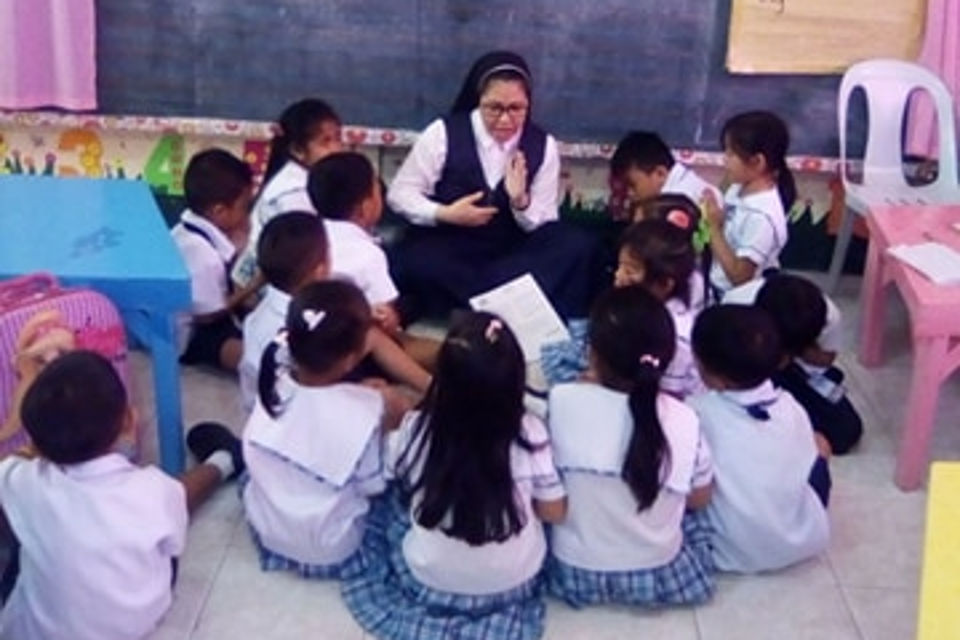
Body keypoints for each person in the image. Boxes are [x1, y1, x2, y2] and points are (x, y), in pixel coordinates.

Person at [342, 312, 567, 640]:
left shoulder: (414, 431)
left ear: (441, 379)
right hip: (515, 582)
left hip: (428, 577)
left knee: (387, 507)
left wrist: (394, 419)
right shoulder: (531, 432)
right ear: (514, 381)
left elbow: (388, 480)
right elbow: (553, 512)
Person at [0, 351, 241, 640]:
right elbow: (172, 545)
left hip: (36, 632)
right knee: (174, 501)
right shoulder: (152, 490)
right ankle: (224, 461)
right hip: (134, 623)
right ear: (129, 419)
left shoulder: (24, 482)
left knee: (22, 531)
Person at [387, 50, 598, 321]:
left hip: (512, 250)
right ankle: (505, 306)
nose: (505, 119)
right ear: (479, 101)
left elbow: (546, 223)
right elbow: (400, 194)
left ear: (528, 104)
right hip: (453, 246)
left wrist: (521, 201)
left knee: (577, 246)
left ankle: (474, 308)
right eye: (494, 108)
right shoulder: (443, 133)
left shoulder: (543, 145)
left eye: (516, 109)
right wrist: (444, 214)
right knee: (416, 259)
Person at [546, 286, 714, 607]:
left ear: (593, 356)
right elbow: (700, 498)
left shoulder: (562, 399)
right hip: (660, 570)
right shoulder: (686, 419)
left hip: (574, 571)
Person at [241, 280, 411, 577]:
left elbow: (313, 412)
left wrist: (358, 394)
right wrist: (385, 419)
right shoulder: (367, 411)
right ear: (349, 361)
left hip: (268, 528)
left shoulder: (273, 377)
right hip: (331, 546)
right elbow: (373, 486)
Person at [239, 213, 431, 412]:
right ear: (320, 270)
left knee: (372, 332)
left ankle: (431, 387)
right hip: (298, 405)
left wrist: (364, 313)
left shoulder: (290, 302)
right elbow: (300, 388)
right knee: (392, 399)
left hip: (319, 369)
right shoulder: (288, 330)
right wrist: (355, 390)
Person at [689, 305, 830, 573]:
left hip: (731, 553)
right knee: (819, 445)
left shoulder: (695, 413)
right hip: (806, 539)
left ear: (714, 377)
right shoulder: (791, 405)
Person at [542, 215, 704, 399]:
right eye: (619, 266)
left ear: (664, 284)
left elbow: (662, 399)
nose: (618, 276)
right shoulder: (637, 309)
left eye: (630, 271)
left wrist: (601, 383)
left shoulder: (676, 338)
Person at [231, 98, 343, 287]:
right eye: (326, 142)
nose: (337, 149)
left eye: (338, 138)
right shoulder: (294, 194)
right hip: (260, 290)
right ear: (298, 150)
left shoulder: (309, 178)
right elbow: (302, 255)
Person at [753, 273, 863, 455]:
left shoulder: (826, 316)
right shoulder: (739, 303)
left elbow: (826, 359)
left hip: (798, 369)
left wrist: (796, 351)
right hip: (749, 363)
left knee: (846, 430)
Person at [171, 148, 259, 371]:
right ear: (219, 211)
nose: (247, 216)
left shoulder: (185, 227)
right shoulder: (204, 256)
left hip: (197, 309)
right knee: (238, 349)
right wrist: (253, 286)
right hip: (189, 333)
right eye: (244, 208)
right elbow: (208, 316)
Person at [701, 111, 795, 297]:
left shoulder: (761, 217)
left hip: (735, 299)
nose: (724, 161)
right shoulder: (739, 187)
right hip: (715, 284)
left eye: (730, 154)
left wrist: (713, 228)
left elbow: (740, 277)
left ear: (757, 162)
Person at [610, 130, 721, 219]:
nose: (629, 193)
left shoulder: (675, 204)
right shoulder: (690, 182)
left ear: (660, 173)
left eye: (633, 185)